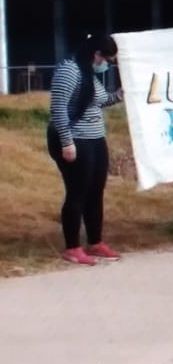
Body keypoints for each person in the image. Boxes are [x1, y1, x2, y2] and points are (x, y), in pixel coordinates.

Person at [47, 33, 124, 265]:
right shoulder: (69, 71)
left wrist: (119, 95)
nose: (107, 66)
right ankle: (72, 247)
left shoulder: (90, 73)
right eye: (107, 61)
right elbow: (58, 109)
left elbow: (101, 101)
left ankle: (95, 241)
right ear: (96, 55)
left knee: (95, 191)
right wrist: (67, 142)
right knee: (77, 192)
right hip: (74, 140)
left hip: (95, 139)